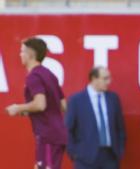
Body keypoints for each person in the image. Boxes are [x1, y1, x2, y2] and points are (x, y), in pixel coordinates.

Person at [5, 37, 67, 169]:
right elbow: (63, 105)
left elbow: (40, 104)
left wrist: (18, 108)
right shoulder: (49, 74)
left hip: (48, 136)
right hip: (56, 134)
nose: (20, 55)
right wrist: (26, 110)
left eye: (22, 51)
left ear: (30, 54)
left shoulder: (33, 76)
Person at [65, 66, 126, 169]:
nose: (109, 82)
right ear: (94, 79)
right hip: (85, 158)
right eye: (105, 78)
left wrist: (119, 151)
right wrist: (74, 153)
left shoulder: (113, 98)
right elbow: (67, 129)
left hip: (110, 157)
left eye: (109, 78)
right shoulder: (76, 100)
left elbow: (120, 127)